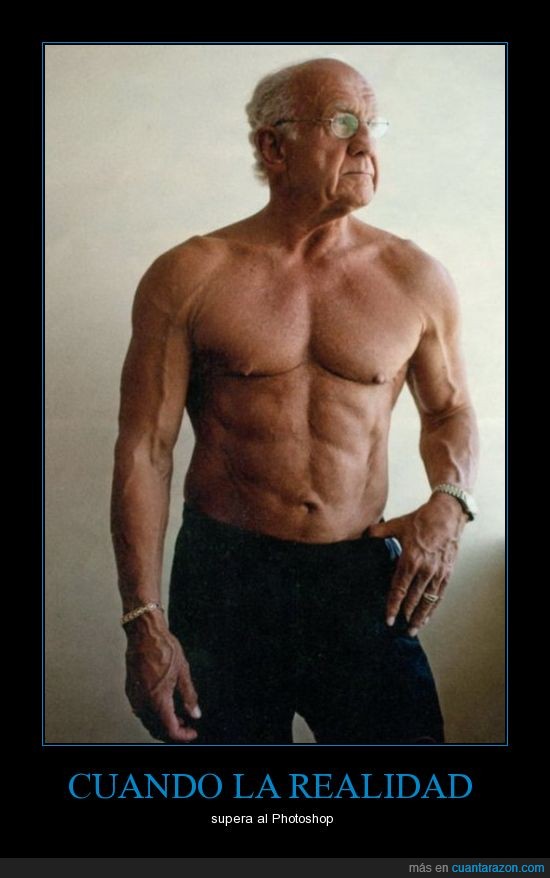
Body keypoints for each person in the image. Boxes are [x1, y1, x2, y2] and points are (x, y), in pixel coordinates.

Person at [110, 58, 479, 745]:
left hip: (361, 577)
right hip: (226, 576)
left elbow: (449, 411)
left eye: (374, 125)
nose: (365, 144)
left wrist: (450, 502)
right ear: (273, 146)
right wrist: (143, 621)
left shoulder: (414, 276)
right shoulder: (190, 275)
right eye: (342, 122)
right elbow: (145, 450)